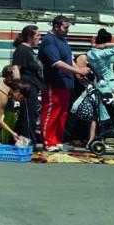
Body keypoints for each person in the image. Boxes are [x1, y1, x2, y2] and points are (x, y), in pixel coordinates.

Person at [39, 15, 90, 152]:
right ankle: (48, 141)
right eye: (65, 27)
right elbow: (56, 63)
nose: (67, 30)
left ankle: (57, 139)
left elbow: (69, 59)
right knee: (51, 110)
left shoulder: (63, 40)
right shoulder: (49, 41)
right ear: (56, 26)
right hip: (54, 81)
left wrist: (79, 72)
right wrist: (77, 70)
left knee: (62, 112)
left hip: (66, 82)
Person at [84, 29, 114, 143]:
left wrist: (96, 45)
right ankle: (107, 131)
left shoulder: (90, 53)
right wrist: (106, 45)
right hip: (109, 82)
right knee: (111, 107)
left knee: (99, 110)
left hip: (98, 82)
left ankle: (94, 138)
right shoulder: (104, 53)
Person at [11, 25, 44, 147]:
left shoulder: (29, 50)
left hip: (33, 87)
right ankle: (28, 143)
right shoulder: (21, 50)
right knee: (28, 116)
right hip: (26, 87)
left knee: (29, 115)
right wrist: (19, 88)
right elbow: (15, 68)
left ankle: (16, 142)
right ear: (30, 37)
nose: (39, 37)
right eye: (37, 35)